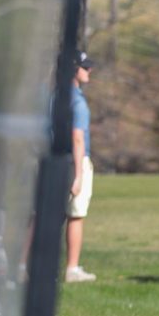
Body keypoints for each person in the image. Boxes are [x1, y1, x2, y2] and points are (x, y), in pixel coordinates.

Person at [65, 50, 96, 283]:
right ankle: (72, 268)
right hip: (75, 161)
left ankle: (24, 265)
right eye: (85, 67)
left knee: (37, 217)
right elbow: (78, 138)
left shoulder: (52, 96)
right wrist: (78, 175)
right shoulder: (77, 101)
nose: (89, 71)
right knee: (76, 215)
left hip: (51, 160)